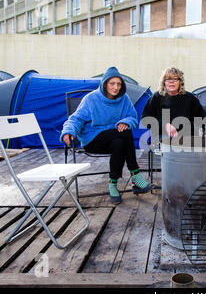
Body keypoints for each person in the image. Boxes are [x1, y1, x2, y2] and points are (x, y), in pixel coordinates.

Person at [61, 66, 152, 204]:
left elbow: (132, 117)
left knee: (120, 142)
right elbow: (76, 119)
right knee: (124, 135)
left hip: (114, 140)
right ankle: (135, 174)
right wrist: (68, 131)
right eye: (112, 83)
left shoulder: (124, 99)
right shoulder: (91, 99)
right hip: (93, 140)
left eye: (118, 84)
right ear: (104, 84)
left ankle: (112, 184)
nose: (115, 87)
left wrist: (126, 122)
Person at [141, 67, 206, 140]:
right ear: (164, 82)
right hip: (162, 138)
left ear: (180, 82)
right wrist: (165, 126)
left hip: (187, 139)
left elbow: (204, 119)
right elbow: (145, 119)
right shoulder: (156, 97)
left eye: (175, 79)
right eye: (168, 79)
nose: (171, 82)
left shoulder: (190, 98)